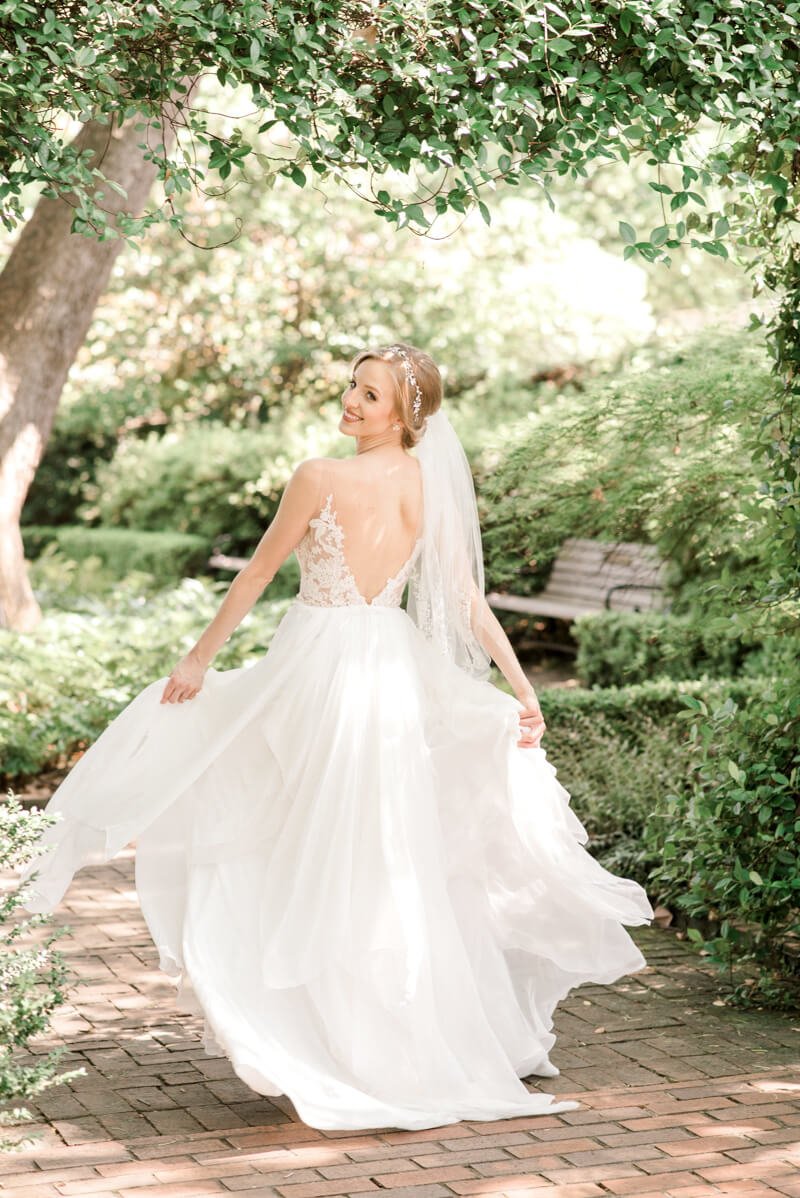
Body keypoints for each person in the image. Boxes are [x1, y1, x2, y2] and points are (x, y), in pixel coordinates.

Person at [19, 341, 654, 1132]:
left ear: (406, 413)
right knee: (368, 841)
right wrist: (521, 686)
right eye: (353, 387)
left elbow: (257, 574)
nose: (351, 402)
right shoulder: (428, 487)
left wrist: (198, 658)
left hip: (320, 664)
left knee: (292, 827)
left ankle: (317, 1028)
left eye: (372, 395)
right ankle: (364, 1024)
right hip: (386, 665)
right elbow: (462, 597)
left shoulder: (319, 475)